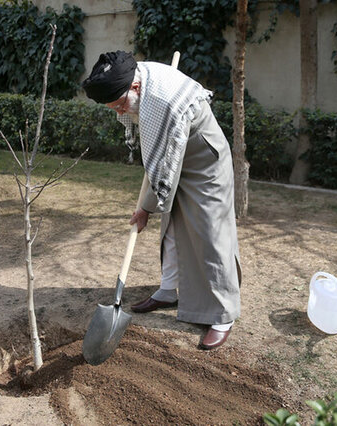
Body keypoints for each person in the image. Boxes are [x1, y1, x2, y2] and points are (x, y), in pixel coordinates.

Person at [82, 51, 241, 350]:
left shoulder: (164, 104)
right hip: (180, 156)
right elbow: (163, 164)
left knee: (211, 237)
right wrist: (150, 206)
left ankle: (222, 315)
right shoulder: (139, 82)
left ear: (136, 88)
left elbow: (165, 166)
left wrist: (144, 208)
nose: (119, 113)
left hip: (205, 165)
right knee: (170, 228)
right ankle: (169, 290)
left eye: (119, 105)